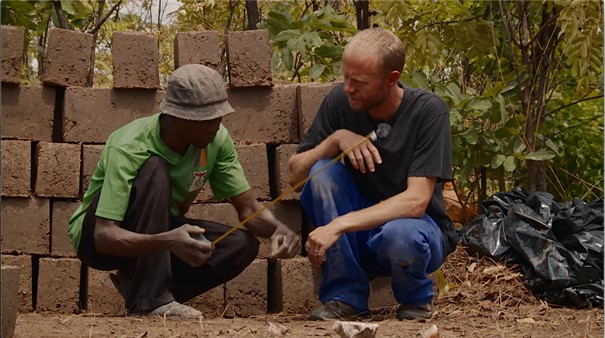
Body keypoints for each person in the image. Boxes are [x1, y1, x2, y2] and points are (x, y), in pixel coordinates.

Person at [68, 64, 300, 319]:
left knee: (239, 245)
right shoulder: (129, 145)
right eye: (209, 118)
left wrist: (280, 231)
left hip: (157, 232)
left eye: (219, 116)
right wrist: (169, 240)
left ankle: (144, 291)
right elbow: (103, 235)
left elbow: (248, 209)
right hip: (98, 239)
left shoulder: (216, 139)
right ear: (181, 117)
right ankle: (150, 300)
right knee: (155, 168)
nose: (217, 125)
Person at [288, 28, 458, 321]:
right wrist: (335, 139)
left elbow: (416, 202)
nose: (347, 88)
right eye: (345, 77)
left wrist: (338, 225)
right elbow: (295, 177)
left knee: (401, 233)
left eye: (358, 82)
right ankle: (345, 298)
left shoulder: (429, 112)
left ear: (391, 79)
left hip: (415, 232)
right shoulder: (340, 103)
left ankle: (416, 300)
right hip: (358, 239)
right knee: (321, 173)